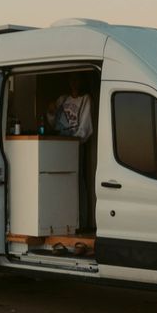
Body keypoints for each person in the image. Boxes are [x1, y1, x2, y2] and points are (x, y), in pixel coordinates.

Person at [47, 76, 94, 229]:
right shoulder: (63, 99)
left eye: (77, 80)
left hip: (74, 146)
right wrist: (51, 111)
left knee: (76, 183)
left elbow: (85, 128)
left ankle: (79, 223)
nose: (74, 83)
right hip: (59, 146)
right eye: (72, 80)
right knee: (61, 182)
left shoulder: (85, 99)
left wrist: (74, 141)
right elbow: (53, 122)